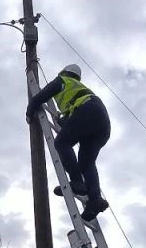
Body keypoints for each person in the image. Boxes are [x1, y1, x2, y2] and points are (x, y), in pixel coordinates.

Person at [26, 64, 111, 221]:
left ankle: (77, 181)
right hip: (102, 122)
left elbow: (40, 97)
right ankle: (95, 200)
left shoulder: (62, 80)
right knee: (87, 163)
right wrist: (62, 120)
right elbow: (76, 121)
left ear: (64, 72)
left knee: (62, 143)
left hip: (88, 111)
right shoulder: (80, 88)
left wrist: (29, 113)